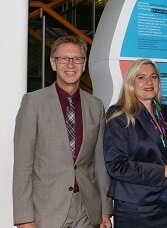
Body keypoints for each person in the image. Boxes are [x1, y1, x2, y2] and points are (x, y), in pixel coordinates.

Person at [13, 36, 113, 228]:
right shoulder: (33, 103)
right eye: (63, 58)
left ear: (84, 65)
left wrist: (105, 210)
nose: (70, 64)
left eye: (77, 59)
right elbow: (22, 167)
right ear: (53, 63)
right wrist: (24, 218)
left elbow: (99, 162)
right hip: (46, 210)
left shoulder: (96, 106)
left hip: (87, 209)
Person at [103, 59, 167, 228]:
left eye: (153, 76)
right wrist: (162, 172)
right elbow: (116, 166)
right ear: (131, 83)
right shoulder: (119, 115)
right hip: (136, 208)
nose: (149, 82)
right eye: (141, 77)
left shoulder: (165, 111)